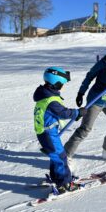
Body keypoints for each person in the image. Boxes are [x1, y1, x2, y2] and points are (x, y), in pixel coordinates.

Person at [33, 66, 86, 194]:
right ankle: (65, 184)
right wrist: (78, 112)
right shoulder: (51, 100)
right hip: (48, 133)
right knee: (60, 157)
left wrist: (76, 114)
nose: (63, 86)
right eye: (62, 84)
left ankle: (57, 177)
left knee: (55, 156)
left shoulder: (45, 94)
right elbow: (63, 113)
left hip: (46, 132)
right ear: (56, 84)